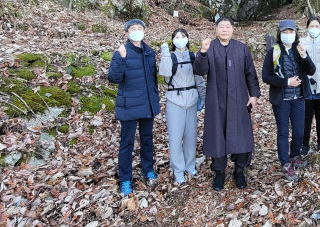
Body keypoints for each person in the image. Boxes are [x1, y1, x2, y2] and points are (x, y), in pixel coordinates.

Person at [194, 17, 261, 191]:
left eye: (228, 26)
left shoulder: (241, 48)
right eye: (221, 27)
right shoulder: (210, 48)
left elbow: (250, 74)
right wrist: (202, 52)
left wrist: (253, 95)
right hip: (216, 101)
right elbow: (200, 71)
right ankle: (219, 172)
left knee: (242, 136)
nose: (225, 29)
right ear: (216, 30)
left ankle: (239, 170)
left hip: (238, 100)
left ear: (233, 29)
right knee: (217, 136)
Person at [108, 18, 160, 196]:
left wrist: (154, 99)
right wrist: (121, 59)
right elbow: (113, 78)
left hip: (147, 105)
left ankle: (148, 170)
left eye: (140, 28)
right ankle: (125, 179)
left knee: (147, 140)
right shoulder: (122, 52)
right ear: (127, 33)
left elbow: (153, 78)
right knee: (127, 144)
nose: (137, 31)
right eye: (133, 29)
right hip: (129, 105)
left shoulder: (149, 52)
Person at [262, 20, 316, 181]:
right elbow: (266, 76)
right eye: (285, 32)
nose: (288, 35)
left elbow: (311, 70)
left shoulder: (299, 50)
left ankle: (295, 155)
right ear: (279, 33)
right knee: (283, 133)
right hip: (282, 100)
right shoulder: (273, 51)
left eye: (291, 32)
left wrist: (305, 55)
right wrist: (286, 82)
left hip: (299, 97)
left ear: (295, 34)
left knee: (299, 131)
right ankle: (285, 162)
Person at [159, 29, 206, 185]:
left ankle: (190, 165)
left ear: (188, 38)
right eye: (177, 37)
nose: (181, 39)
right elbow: (165, 73)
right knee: (175, 138)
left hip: (192, 100)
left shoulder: (193, 56)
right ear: (172, 41)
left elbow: (199, 79)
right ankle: (178, 170)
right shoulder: (170, 57)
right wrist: (165, 53)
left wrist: (203, 97)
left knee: (191, 137)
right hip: (175, 100)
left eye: (183, 36)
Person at [299, 16, 320, 154]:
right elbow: (300, 63)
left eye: (317, 26)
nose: (314, 29)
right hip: (307, 84)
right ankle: (305, 144)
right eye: (312, 26)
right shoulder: (301, 42)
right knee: (306, 116)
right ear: (307, 28)